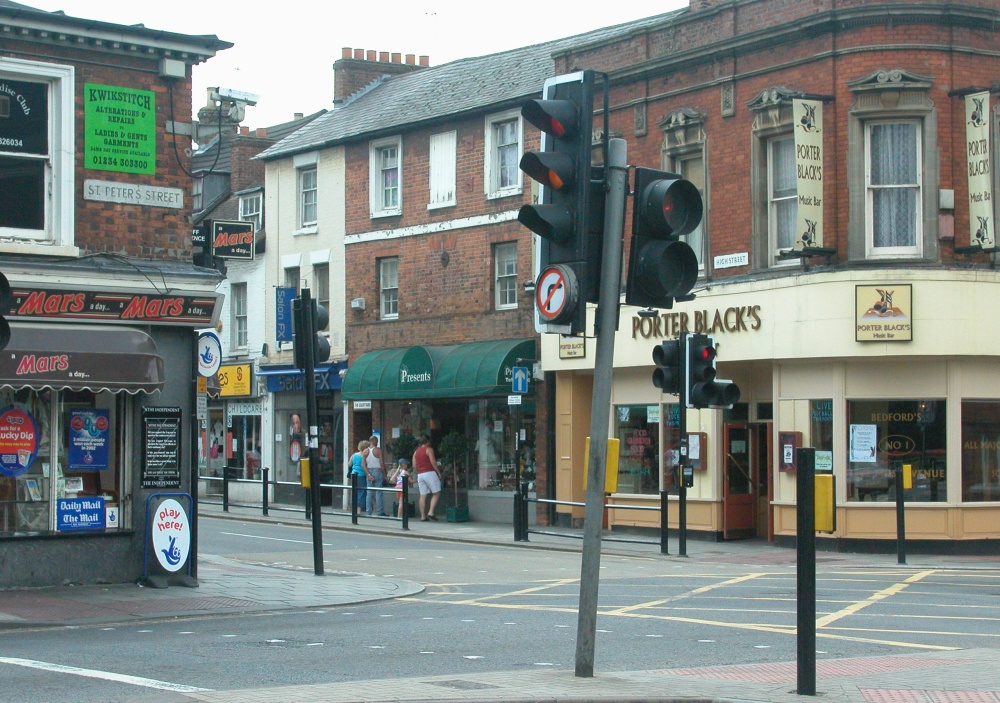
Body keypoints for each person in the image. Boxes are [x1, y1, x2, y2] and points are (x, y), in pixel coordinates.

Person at [412, 435, 442, 521]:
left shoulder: (416, 452)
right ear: (427, 442)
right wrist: (438, 472)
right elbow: (433, 462)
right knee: (436, 493)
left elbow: (414, 465)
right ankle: (431, 512)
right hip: (429, 473)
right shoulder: (429, 450)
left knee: (423, 495)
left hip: (420, 474)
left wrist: (418, 472)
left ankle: (422, 516)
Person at [363, 435, 387, 516]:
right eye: (377, 441)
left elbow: (363, 465)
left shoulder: (365, 451)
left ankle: (368, 511)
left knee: (369, 492)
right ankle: (379, 511)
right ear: (375, 441)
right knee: (378, 492)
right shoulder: (378, 450)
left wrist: (368, 474)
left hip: (369, 470)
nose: (377, 443)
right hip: (377, 470)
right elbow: (382, 463)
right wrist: (385, 474)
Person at [347, 440, 369, 514]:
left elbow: (349, 464)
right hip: (361, 475)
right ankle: (359, 510)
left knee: (354, 491)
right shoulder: (364, 456)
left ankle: (353, 509)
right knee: (361, 492)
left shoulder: (354, 455)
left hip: (353, 474)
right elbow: (366, 465)